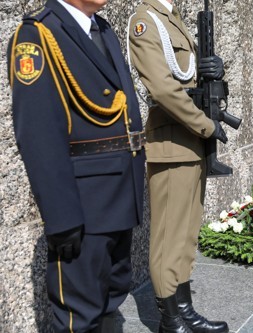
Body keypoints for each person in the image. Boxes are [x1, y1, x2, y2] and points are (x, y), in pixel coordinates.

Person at [7, 0, 146, 332]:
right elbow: (39, 136)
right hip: (83, 208)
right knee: (77, 317)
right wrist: (62, 219)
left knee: (111, 301)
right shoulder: (37, 36)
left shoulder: (101, 28)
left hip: (118, 197)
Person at [128, 1, 229, 332]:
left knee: (185, 238)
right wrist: (205, 125)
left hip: (190, 144)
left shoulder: (173, 19)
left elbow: (188, 75)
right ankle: (169, 319)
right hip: (171, 142)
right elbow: (163, 86)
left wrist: (212, 68)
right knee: (168, 239)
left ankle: (184, 310)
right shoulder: (145, 20)